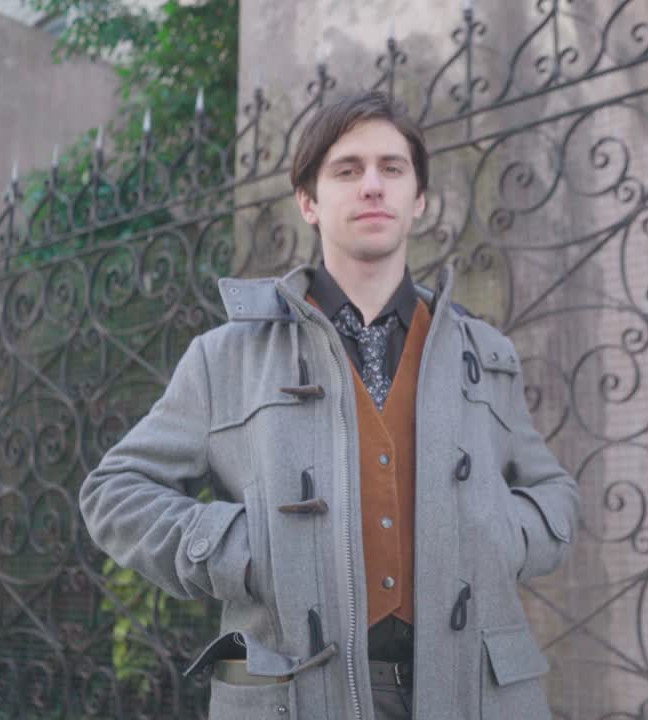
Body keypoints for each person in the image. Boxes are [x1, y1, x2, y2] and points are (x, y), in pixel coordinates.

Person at [79, 90, 579, 720]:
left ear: (417, 199)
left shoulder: (488, 354)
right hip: (285, 693)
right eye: (347, 169)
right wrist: (241, 546)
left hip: (472, 692)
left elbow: (554, 492)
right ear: (309, 201)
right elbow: (114, 492)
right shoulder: (226, 356)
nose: (373, 185)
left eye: (392, 169)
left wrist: (498, 537)